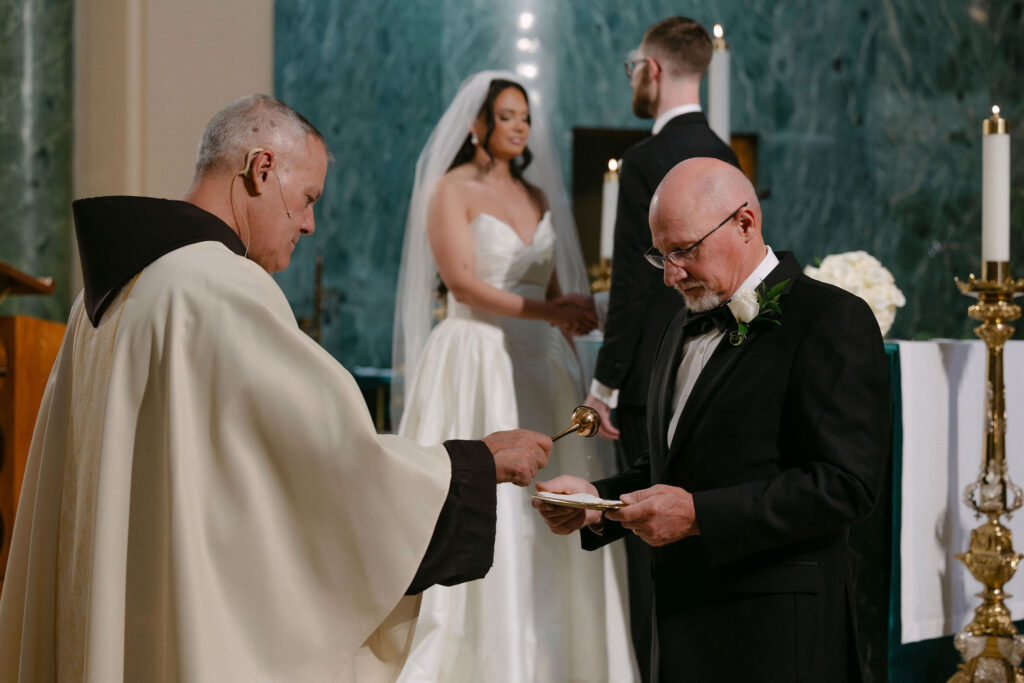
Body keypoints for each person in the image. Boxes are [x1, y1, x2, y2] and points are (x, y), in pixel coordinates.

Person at [0, 94, 555, 683]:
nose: (311, 223)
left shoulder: (109, 290)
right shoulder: (216, 287)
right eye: (308, 197)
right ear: (261, 170)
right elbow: (330, 462)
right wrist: (471, 464)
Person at [535, 157, 890, 682]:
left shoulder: (831, 319)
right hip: (682, 634)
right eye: (660, 255)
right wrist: (596, 501)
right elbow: (672, 462)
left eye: (684, 250)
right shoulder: (681, 324)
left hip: (776, 639)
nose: (670, 274)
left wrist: (700, 515)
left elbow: (845, 486)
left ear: (745, 223)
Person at [392, 71, 637, 682]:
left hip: (540, 362)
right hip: (475, 356)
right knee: (486, 499)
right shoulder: (452, 189)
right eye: (506, 115)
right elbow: (465, 282)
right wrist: (550, 310)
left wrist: (574, 309)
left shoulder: (537, 199)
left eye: (524, 115)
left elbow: (550, 286)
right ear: (478, 125)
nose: (519, 125)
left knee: (553, 495)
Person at [583, 17, 741, 678]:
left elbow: (634, 290)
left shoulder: (647, 161)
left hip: (653, 372)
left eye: (631, 69)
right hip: (718, 370)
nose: (632, 80)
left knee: (646, 537)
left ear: (652, 70)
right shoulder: (726, 160)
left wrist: (604, 384)